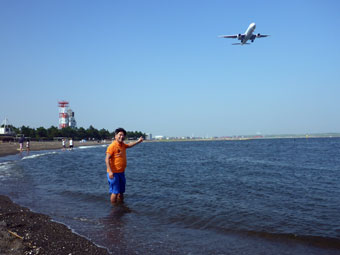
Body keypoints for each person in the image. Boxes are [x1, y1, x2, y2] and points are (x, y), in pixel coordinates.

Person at [105, 128, 144, 204]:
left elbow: (129, 145)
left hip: (121, 172)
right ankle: (114, 209)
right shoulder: (112, 146)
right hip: (113, 173)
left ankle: (121, 207)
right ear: (115, 136)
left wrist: (138, 141)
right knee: (115, 192)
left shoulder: (122, 145)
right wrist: (110, 172)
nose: (121, 136)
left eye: (123, 135)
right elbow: (106, 159)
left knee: (121, 192)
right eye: (120, 135)